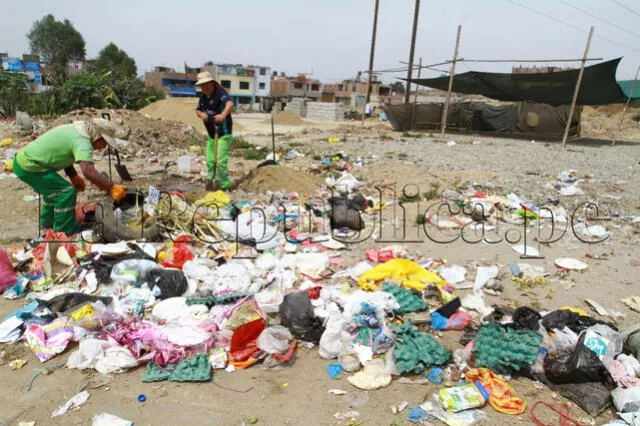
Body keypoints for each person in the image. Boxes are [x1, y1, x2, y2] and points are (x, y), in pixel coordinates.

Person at [13, 118, 128, 236]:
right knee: (65, 192)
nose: (103, 147)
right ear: (98, 136)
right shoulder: (83, 142)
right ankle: (64, 232)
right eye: (104, 142)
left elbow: (63, 153)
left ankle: (47, 226)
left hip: (24, 162)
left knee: (52, 193)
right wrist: (111, 188)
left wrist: (73, 175)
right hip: (29, 166)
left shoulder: (76, 130)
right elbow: (88, 170)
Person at [194, 71, 234, 191]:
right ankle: (212, 182)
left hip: (223, 133)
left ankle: (224, 186)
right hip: (212, 135)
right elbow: (197, 110)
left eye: (206, 84)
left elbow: (229, 103)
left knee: (220, 162)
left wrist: (222, 115)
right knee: (211, 161)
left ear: (212, 83)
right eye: (202, 85)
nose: (204, 87)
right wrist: (202, 115)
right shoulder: (203, 98)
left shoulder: (219, 93)